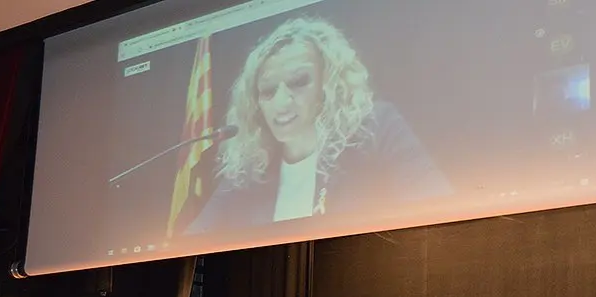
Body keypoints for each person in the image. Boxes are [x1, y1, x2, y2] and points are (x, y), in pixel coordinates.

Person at [185, 17, 451, 234]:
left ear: (328, 85)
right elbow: (192, 241)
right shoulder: (247, 171)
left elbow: (439, 206)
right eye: (267, 91)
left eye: (299, 82)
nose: (281, 102)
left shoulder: (377, 129)